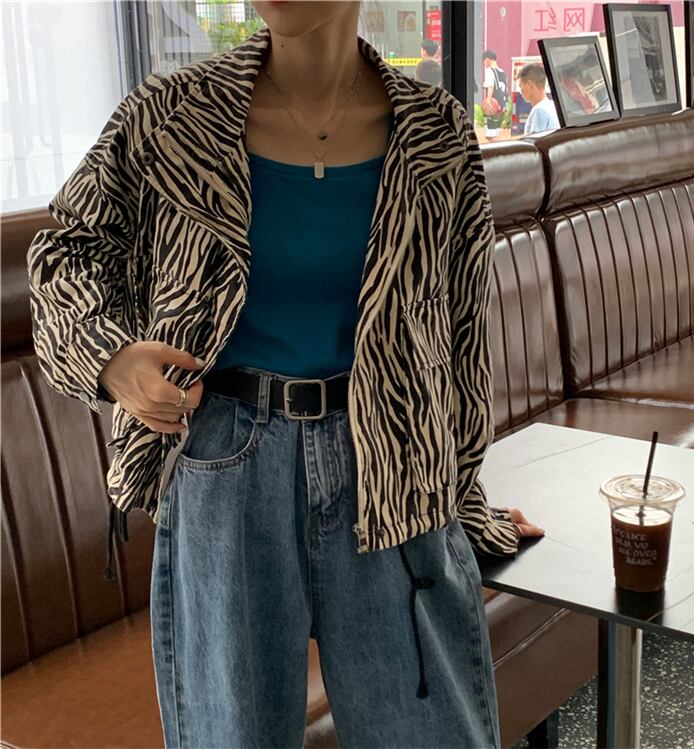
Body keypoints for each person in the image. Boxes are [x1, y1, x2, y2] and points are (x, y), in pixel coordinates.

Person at [26, 2, 544, 747]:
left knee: (431, 731)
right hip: (225, 464)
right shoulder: (173, 117)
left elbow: (461, 338)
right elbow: (66, 251)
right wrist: (110, 359)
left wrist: (462, 503)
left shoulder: (436, 131)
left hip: (394, 464)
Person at [518, 62, 560, 135]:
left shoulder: (539, 110)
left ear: (529, 84)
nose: (520, 91)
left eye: (520, 86)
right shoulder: (552, 106)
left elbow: (534, 141)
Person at [481, 49, 507, 141]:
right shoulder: (502, 72)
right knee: (496, 132)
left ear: (487, 59)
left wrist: (488, 101)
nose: (484, 64)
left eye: (484, 62)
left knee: (490, 135)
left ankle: (499, 149)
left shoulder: (489, 70)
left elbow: (491, 86)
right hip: (502, 104)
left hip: (493, 104)